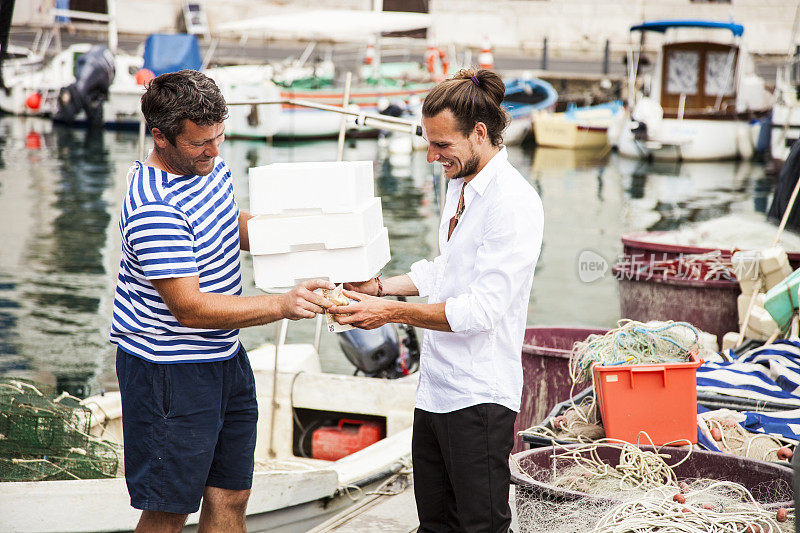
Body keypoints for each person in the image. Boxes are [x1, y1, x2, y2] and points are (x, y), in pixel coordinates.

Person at [109, 69, 333, 533]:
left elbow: (228, 222)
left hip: (224, 358)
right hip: (168, 372)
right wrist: (282, 305)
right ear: (161, 137)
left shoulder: (208, 166)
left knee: (232, 493)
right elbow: (190, 309)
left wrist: (313, 242)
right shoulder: (154, 207)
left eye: (219, 137)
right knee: (169, 509)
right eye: (199, 143)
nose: (213, 150)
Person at [329, 68, 544, 532]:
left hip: (480, 399)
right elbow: (448, 268)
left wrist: (388, 312)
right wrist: (380, 288)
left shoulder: (514, 203)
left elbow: (481, 310)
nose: (431, 156)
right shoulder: (460, 184)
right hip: (435, 391)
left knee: (480, 526)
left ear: (479, 134)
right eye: (428, 142)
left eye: (442, 145)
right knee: (434, 525)